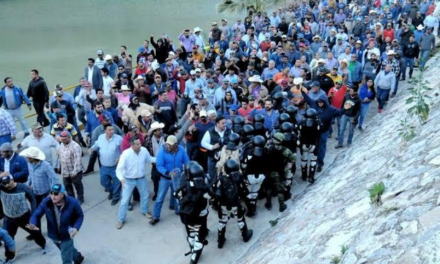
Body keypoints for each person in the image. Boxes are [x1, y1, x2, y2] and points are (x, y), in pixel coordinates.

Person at [27, 184, 85, 264]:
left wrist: (76, 228)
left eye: (56, 194)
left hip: (67, 234)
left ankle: (75, 258)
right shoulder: (46, 202)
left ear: (62, 194)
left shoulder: (72, 202)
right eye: (51, 193)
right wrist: (33, 223)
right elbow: (36, 214)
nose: (53, 196)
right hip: (53, 234)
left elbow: (80, 216)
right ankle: (78, 257)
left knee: (66, 259)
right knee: (66, 249)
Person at [116, 136, 156, 229]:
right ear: (132, 145)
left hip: (141, 179)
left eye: (140, 143)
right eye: (137, 144)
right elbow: (118, 170)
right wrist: (122, 179)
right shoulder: (125, 154)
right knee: (124, 201)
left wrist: (160, 158)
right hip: (128, 180)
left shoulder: (144, 150)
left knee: (145, 195)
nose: (140, 145)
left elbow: (150, 159)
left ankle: (145, 211)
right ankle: (120, 220)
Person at [212, 159, 253, 249]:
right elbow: (245, 191)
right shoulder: (240, 177)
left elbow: (214, 190)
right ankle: (245, 236)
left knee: (222, 221)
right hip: (235, 204)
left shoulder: (221, 179)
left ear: (226, 169)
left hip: (223, 205)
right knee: (240, 219)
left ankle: (220, 241)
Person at [174, 162, 210, 264]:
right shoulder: (204, 184)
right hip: (201, 214)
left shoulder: (184, 182)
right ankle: (194, 257)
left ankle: (193, 249)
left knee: (191, 233)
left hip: (187, 214)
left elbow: (178, 196)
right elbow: (211, 196)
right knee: (200, 234)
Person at [0, 175, 47, 253]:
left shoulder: (22, 187)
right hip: (9, 218)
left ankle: (43, 245)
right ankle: (9, 256)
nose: (6, 185)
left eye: (8, 183)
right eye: (4, 183)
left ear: (12, 180)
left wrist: (33, 214)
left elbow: (32, 199)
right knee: (7, 238)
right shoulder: (1, 187)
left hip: (24, 216)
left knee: (35, 232)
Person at [151, 135, 189, 225]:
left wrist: (186, 169)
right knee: (160, 197)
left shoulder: (181, 150)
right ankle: (155, 216)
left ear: (176, 144)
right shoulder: (162, 152)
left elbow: (187, 161)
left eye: (171, 145)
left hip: (177, 177)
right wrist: (168, 172)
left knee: (177, 195)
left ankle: (177, 210)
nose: (169, 146)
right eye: (168, 144)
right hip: (165, 178)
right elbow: (159, 166)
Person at [90, 124, 123, 206]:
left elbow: (124, 150)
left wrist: (120, 156)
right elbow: (96, 145)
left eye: (112, 129)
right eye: (109, 130)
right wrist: (92, 148)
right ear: (105, 131)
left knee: (116, 182)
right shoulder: (101, 137)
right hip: (104, 166)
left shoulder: (119, 139)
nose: (112, 131)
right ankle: (112, 191)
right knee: (103, 182)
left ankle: (116, 196)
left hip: (115, 166)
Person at [264, 133, 296, 211]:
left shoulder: (269, 148)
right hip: (279, 172)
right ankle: (281, 206)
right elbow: (293, 159)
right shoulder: (286, 151)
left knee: (268, 187)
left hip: (268, 171)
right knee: (280, 190)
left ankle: (268, 203)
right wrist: (288, 167)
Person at [240, 135, 266, 217]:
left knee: (248, 193)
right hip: (261, 177)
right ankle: (253, 207)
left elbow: (243, 164)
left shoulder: (249, 153)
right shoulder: (266, 152)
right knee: (255, 193)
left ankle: (251, 210)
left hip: (249, 177)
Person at [201, 116, 232, 182]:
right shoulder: (210, 131)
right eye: (223, 123)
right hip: (213, 158)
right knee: (212, 178)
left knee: (226, 177)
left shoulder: (229, 131)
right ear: (217, 123)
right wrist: (212, 147)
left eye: (225, 123)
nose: (225, 125)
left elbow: (234, 140)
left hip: (226, 158)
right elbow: (203, 143)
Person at [57, 131, 85, 204]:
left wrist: (75, 172)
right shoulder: (61, 145)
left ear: (70, 137)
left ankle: (80, 198)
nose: (63, 140)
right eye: (62, 139)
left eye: (65, 139)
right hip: (65, 171)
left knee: (77, 184)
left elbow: (78, 160)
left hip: (75, 171)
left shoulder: (75, 146)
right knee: (67, 186)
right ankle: (71, 199)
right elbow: (60, 156)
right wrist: (59, 166)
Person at [144, 122, 166, 201]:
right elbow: (146, 150)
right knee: (155, 179)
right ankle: (156, 193)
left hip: (165, 163)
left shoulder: (165, 137)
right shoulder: (149, 140)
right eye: (159, 130)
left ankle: (162, 193)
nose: (161, 131)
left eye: (161, 129)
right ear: (154, 132)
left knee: (165, 179)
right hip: (155, 163)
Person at [297, 109, 321, 183]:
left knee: (304, 159)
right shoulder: (317, 123)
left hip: (303, 144)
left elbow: (298, 131)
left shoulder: (302, 122)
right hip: (313, 144)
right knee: (313, 160)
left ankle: (304, 176)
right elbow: (319, 133)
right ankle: (311, 177)